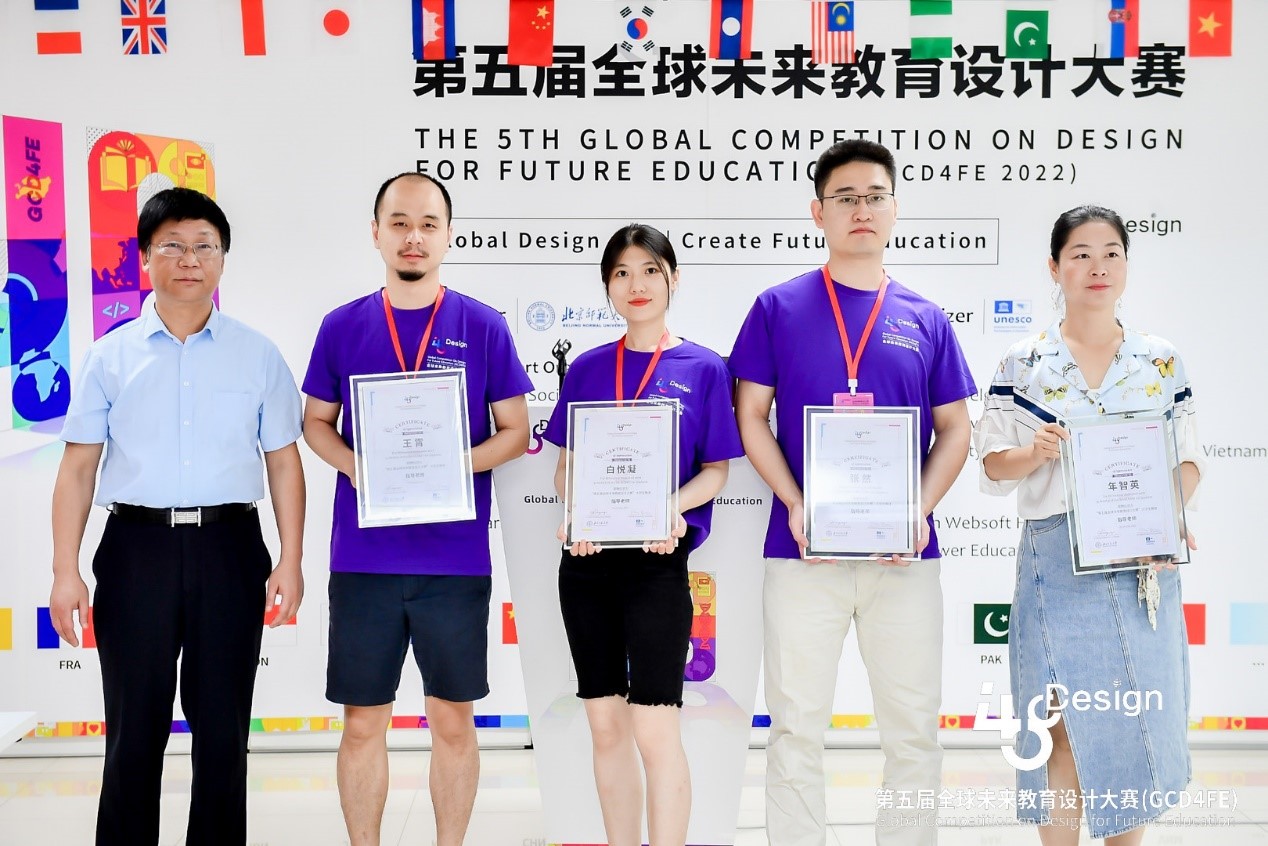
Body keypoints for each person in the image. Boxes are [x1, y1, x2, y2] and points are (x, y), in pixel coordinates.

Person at [728, 140, 977, 846]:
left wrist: (918, 508)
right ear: (819, 212)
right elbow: (751, 415)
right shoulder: (777, 308)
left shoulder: (926, 317)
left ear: (895, 209)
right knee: (796, 728)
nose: (861, 209)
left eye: (875, 196)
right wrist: (794, 501)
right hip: (802, 551)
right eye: (846, 198)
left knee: (913, 730)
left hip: (904, 558)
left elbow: (957, 429)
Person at [48, 187, 306, 846]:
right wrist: (64, 572)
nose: (190, 259)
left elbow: (283, 463)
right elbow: (77, 469)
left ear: (222, 259)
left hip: (230, 547)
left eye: (204, 247)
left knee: (223, 732)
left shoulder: (258, 355)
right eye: (172, 246)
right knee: (133, 731)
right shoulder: (109, 356)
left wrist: (291, 560)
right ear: (144, 257)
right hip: (136, 549)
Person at [302, 172, 532, 846]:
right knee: (362, 723)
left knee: (453, 720)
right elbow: (316, 423)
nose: (413, 236)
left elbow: (515, 431)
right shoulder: (342, 326)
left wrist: (451, 465)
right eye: (399, 223)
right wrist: (359, 467)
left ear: (448, 235)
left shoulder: (483, 325)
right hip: (364, 558)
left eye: (428, 224)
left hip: (453, 561)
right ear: (375, 233)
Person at [975, 205, 1201, 844]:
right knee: (1060, 725)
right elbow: (992, 465)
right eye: (1080, 255)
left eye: (1111, 254)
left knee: (1134, 722)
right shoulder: (1024, 360)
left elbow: (1187, 462)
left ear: (1126, 263)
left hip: (1139, 567)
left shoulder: (1160, 361)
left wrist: (1166, 522)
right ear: (1055, 267)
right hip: (1056, 564)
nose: (1097, 267)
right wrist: (1034, 453)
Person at [542, 224, 744, 846]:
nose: (637, 285)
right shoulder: (587, 368)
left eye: (651, 270)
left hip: (658, 565)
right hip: (587, 565)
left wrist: (669, 509)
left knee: (656, 730)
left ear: (673, 279)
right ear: (607, 285)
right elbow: (565, 466)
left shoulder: (704, 368)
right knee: (605, 726)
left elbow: (716, 471)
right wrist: (575, 511)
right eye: (623, 273)